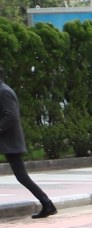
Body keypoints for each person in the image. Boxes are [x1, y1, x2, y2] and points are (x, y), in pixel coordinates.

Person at [0, 70, 55, 219]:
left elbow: (11, 116)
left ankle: (47, 203)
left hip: (10, 141)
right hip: (6, 141)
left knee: (22, 177)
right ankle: (47, 203)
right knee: (22, 177)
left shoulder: (4, 92)